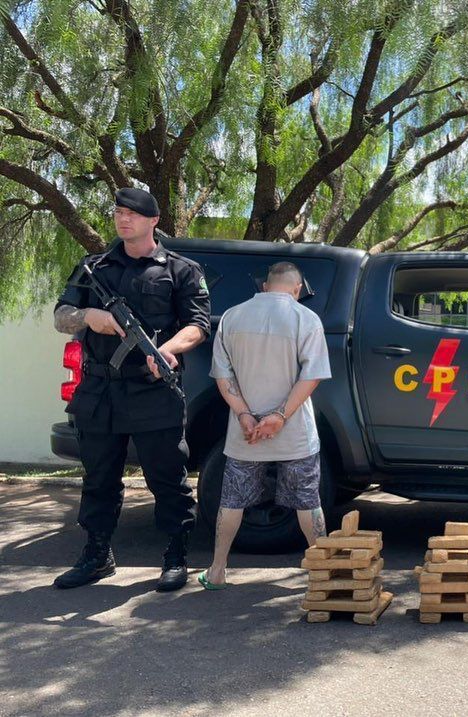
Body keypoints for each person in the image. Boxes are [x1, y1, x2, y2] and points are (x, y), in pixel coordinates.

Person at [53, 187, 210, 592]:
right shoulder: (94, 266)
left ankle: (176, 555)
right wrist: (90, 316)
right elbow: (61, 316)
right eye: (119, 213)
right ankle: (97, 554)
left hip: (153, 391)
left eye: (133, 214)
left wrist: (168, 350)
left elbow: (198, 325)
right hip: (100, 389)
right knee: (99, 478)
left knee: (166, 477)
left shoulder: (181, 269)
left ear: (154, 220)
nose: (124, 220)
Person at [198, 261, 332, 589]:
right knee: (307, 501)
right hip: (294, 430)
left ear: (265, 286)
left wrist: (245, 414)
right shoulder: (306, 319)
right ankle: (324, 575)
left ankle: (217, 570)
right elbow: (311, 375)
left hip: (245, 431)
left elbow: (223, 375)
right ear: (297, 289)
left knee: (232, 499)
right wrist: (280, 416)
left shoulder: (232, 317)